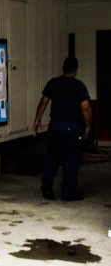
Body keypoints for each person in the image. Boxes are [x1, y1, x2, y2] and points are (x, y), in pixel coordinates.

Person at [33, 56, 92, 201]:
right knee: (71, 159)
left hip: (55, 125)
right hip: (72, 126)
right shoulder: (79, 86)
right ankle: (68, 192)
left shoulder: (53, 83)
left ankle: (47, 183)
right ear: (76, 70)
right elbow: (85, 108)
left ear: (63, 68)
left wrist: (37, 119)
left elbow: (44, 102)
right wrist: (89, 125)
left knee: (52, 155)